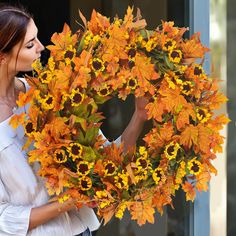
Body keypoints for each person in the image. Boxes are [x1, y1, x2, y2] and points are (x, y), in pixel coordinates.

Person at [0, 4, 148, 236]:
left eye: (37, 38)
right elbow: (3, 219)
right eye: (30, 44)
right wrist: (70, 201)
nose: (41, 47)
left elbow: (108, 159)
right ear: (2, 57)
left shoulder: (50, 95)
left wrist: (139, 116)